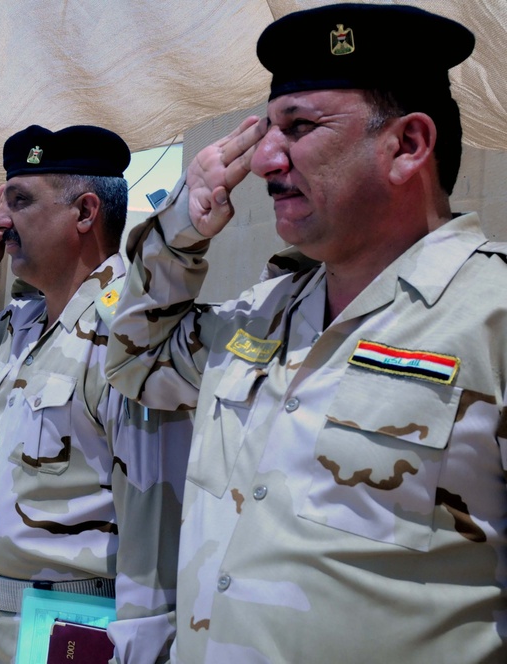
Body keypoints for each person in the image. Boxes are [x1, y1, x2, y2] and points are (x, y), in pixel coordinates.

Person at [104, 4, 507, 661]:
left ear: (406, 146)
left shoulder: (491, 316)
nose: (264, 158)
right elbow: (133, 362)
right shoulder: (265, 313)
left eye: (300, 128)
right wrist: (178, 229)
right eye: (266, 130)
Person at [0, 126, 191, 663]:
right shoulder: (21, 327)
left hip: (73, 635)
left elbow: (156, 537)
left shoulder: (128, 334)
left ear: (85, 212)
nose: (2, 221)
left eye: (19, 202)